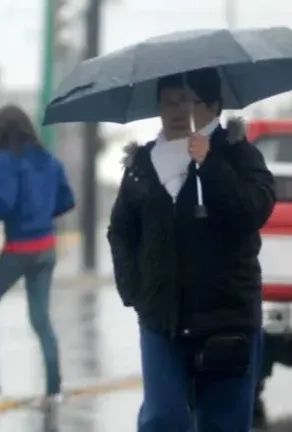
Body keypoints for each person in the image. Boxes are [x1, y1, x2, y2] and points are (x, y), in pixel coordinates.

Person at [107, 69, 276, 431]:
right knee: (162, 418)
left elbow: (253, 210)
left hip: (226, 319)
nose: (178, 110)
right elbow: (121, 230)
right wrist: (135, 290)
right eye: (169, 102)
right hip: (162, 320)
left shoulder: (237, 154)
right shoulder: (141, 164)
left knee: (223, 423)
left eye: (188, 101)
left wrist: (211, 164)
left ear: (213, 106)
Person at [0, 104, 75, 404]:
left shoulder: (8, 160)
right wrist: (42, 213)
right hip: (47, 247)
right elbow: (67, 199)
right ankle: (55, 389)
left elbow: (3, 202)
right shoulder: (49, 159)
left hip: (20, 248)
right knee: (41, 319)